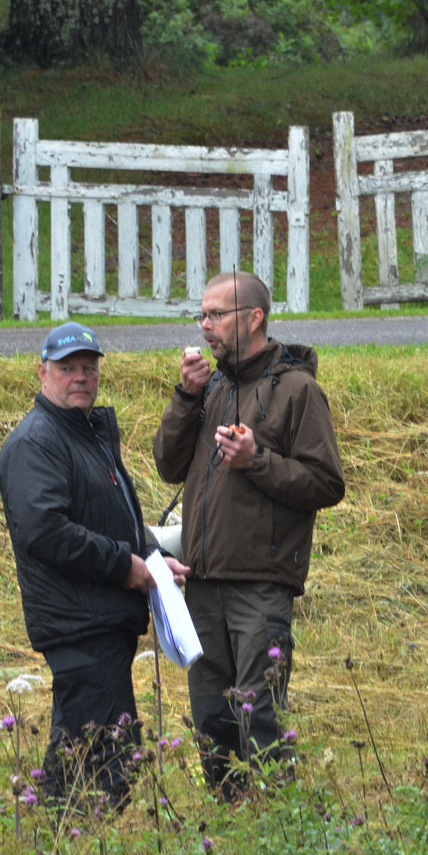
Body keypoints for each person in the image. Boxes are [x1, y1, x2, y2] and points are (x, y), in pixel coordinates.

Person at [153, 272, 345, 797]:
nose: (205, 326)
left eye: (217, 315)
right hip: (201, 585)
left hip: (262, 588)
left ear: (254, 318)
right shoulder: (210, 386)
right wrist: (186, 396)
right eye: (202, 315)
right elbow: (168, 465)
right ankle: (229, 827)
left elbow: (327, 483)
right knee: (211, 720)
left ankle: (275, 824)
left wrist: (257, 461)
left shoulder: (298, 391)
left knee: (259, 720)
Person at [0, 321, 189, 807]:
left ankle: (54, 846)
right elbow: (46, 532)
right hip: (79, 625)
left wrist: (155, 560)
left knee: (91, 759)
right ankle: (73, 852)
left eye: (88, 367)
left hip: (100, 623)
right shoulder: (34, 443)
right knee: (107, 769)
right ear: (42, 373)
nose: (80, 376)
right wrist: (126, 568)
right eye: (67, 368)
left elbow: (113, 521)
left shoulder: (87, 435)